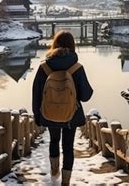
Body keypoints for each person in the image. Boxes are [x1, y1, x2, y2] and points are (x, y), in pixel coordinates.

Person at [32, 30, 93, 185]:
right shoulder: (77, 67)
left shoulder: (44, 67)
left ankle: (54, 173)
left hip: (49, 113)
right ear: (72, 45)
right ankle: (65, 182)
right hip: (71, 115)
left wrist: (37, 116)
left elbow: (37, 94)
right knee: (68, 146)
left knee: (54, 141)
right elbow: (86, 95)